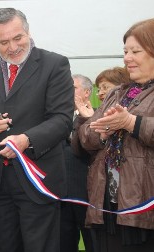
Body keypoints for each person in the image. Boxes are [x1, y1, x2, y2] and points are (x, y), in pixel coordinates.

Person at [0, 8, 74, 252]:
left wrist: (27, 139)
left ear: (28, 32)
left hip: (38, 177)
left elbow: (61, 119)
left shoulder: (54, 64)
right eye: (3, 42)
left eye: (18, 38)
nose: (12, 47)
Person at [78, 18, 154, 251]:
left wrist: (131, 122)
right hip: (109, 202)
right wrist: (102, 131)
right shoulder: (118, 93)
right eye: (125, 51)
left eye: (135, 51)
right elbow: (85, 134)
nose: (127, 58)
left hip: (143, 204)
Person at [60, 74, 94, 252]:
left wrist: (86, 118)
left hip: (87, 196)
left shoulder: (95, 117)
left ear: (87, 92)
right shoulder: (57, 118)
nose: (67, 91)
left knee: (93, 242)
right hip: (61, 196)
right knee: (64, 243)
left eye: (73, 87)